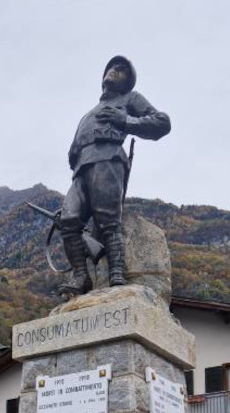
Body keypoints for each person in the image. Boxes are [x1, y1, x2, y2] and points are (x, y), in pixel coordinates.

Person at [59, 55, 171, 296]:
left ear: (128, 81)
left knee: (109, 222)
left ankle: (116, 275)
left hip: (108, 161)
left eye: (121, 70)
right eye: (111, 67)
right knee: (68, 220)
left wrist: (125, 120)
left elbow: (162, 122)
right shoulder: (88, 114)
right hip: (81, 170)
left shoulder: (130, 99)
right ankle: (81, 276)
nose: (114, 71)